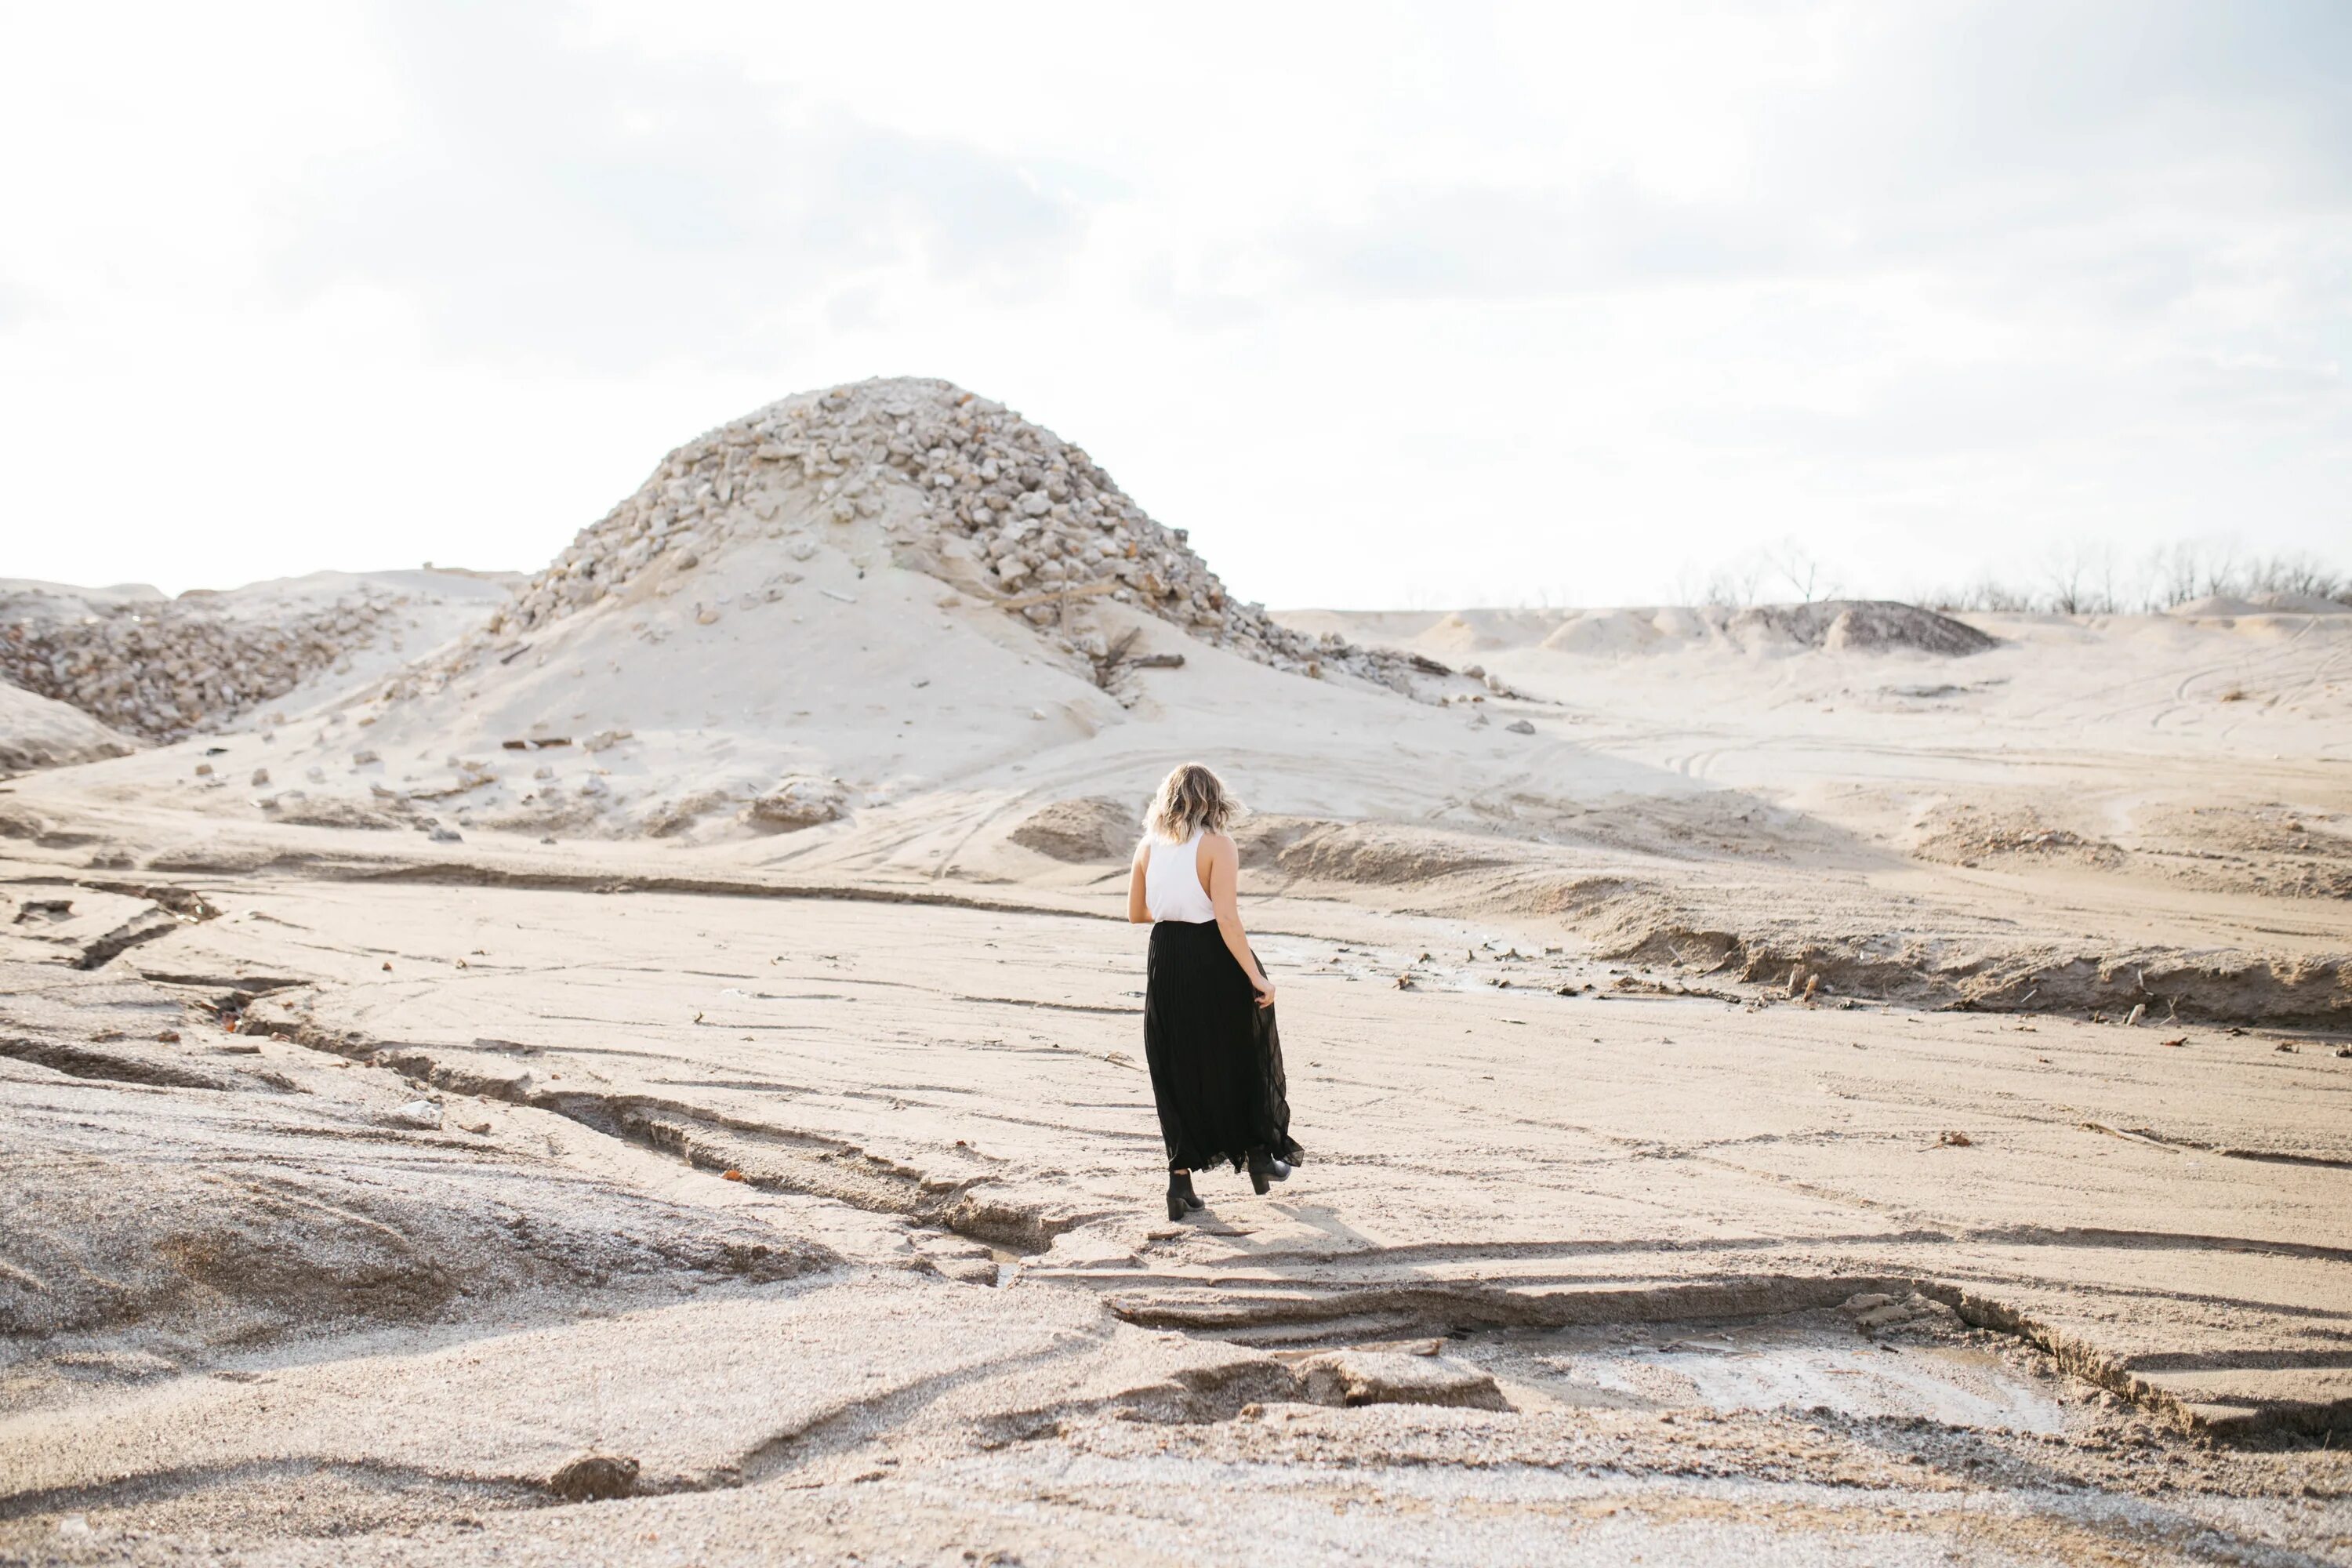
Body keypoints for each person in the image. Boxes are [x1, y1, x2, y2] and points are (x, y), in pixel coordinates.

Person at [1127, 761, 1301, 1220]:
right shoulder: (1218, 845)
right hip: (1210, 952)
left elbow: (1136, 914)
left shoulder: (1147, 846)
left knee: (1174, 1064)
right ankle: (1261, 1155)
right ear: (1213, 799)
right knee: (1239, 1048)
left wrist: (1175, 908)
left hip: (1165, 954)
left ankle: (1178, 1185)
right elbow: (1226, 919)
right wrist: (1258, 977)